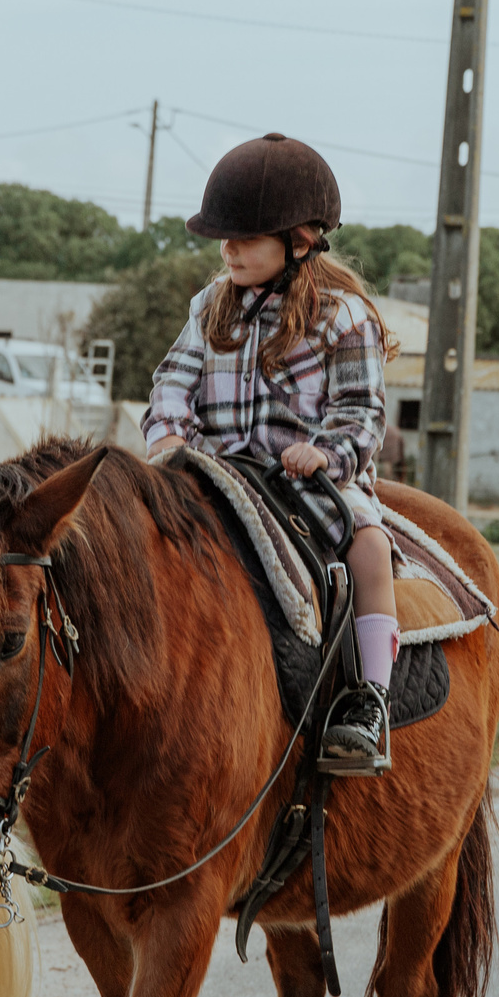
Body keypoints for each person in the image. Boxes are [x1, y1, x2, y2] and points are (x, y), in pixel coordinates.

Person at [143, 133, 401, 775]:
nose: (227, 249)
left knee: (368, 546)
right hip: (214, 478)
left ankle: (369, 699)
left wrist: (326, 454)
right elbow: (171, 382)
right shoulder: (210, 307)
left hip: (311, 486)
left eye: (245, 237)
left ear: (301, 240)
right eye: (223, 238)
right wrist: (169, 438)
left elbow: (363, 414)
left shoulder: (345, 318)